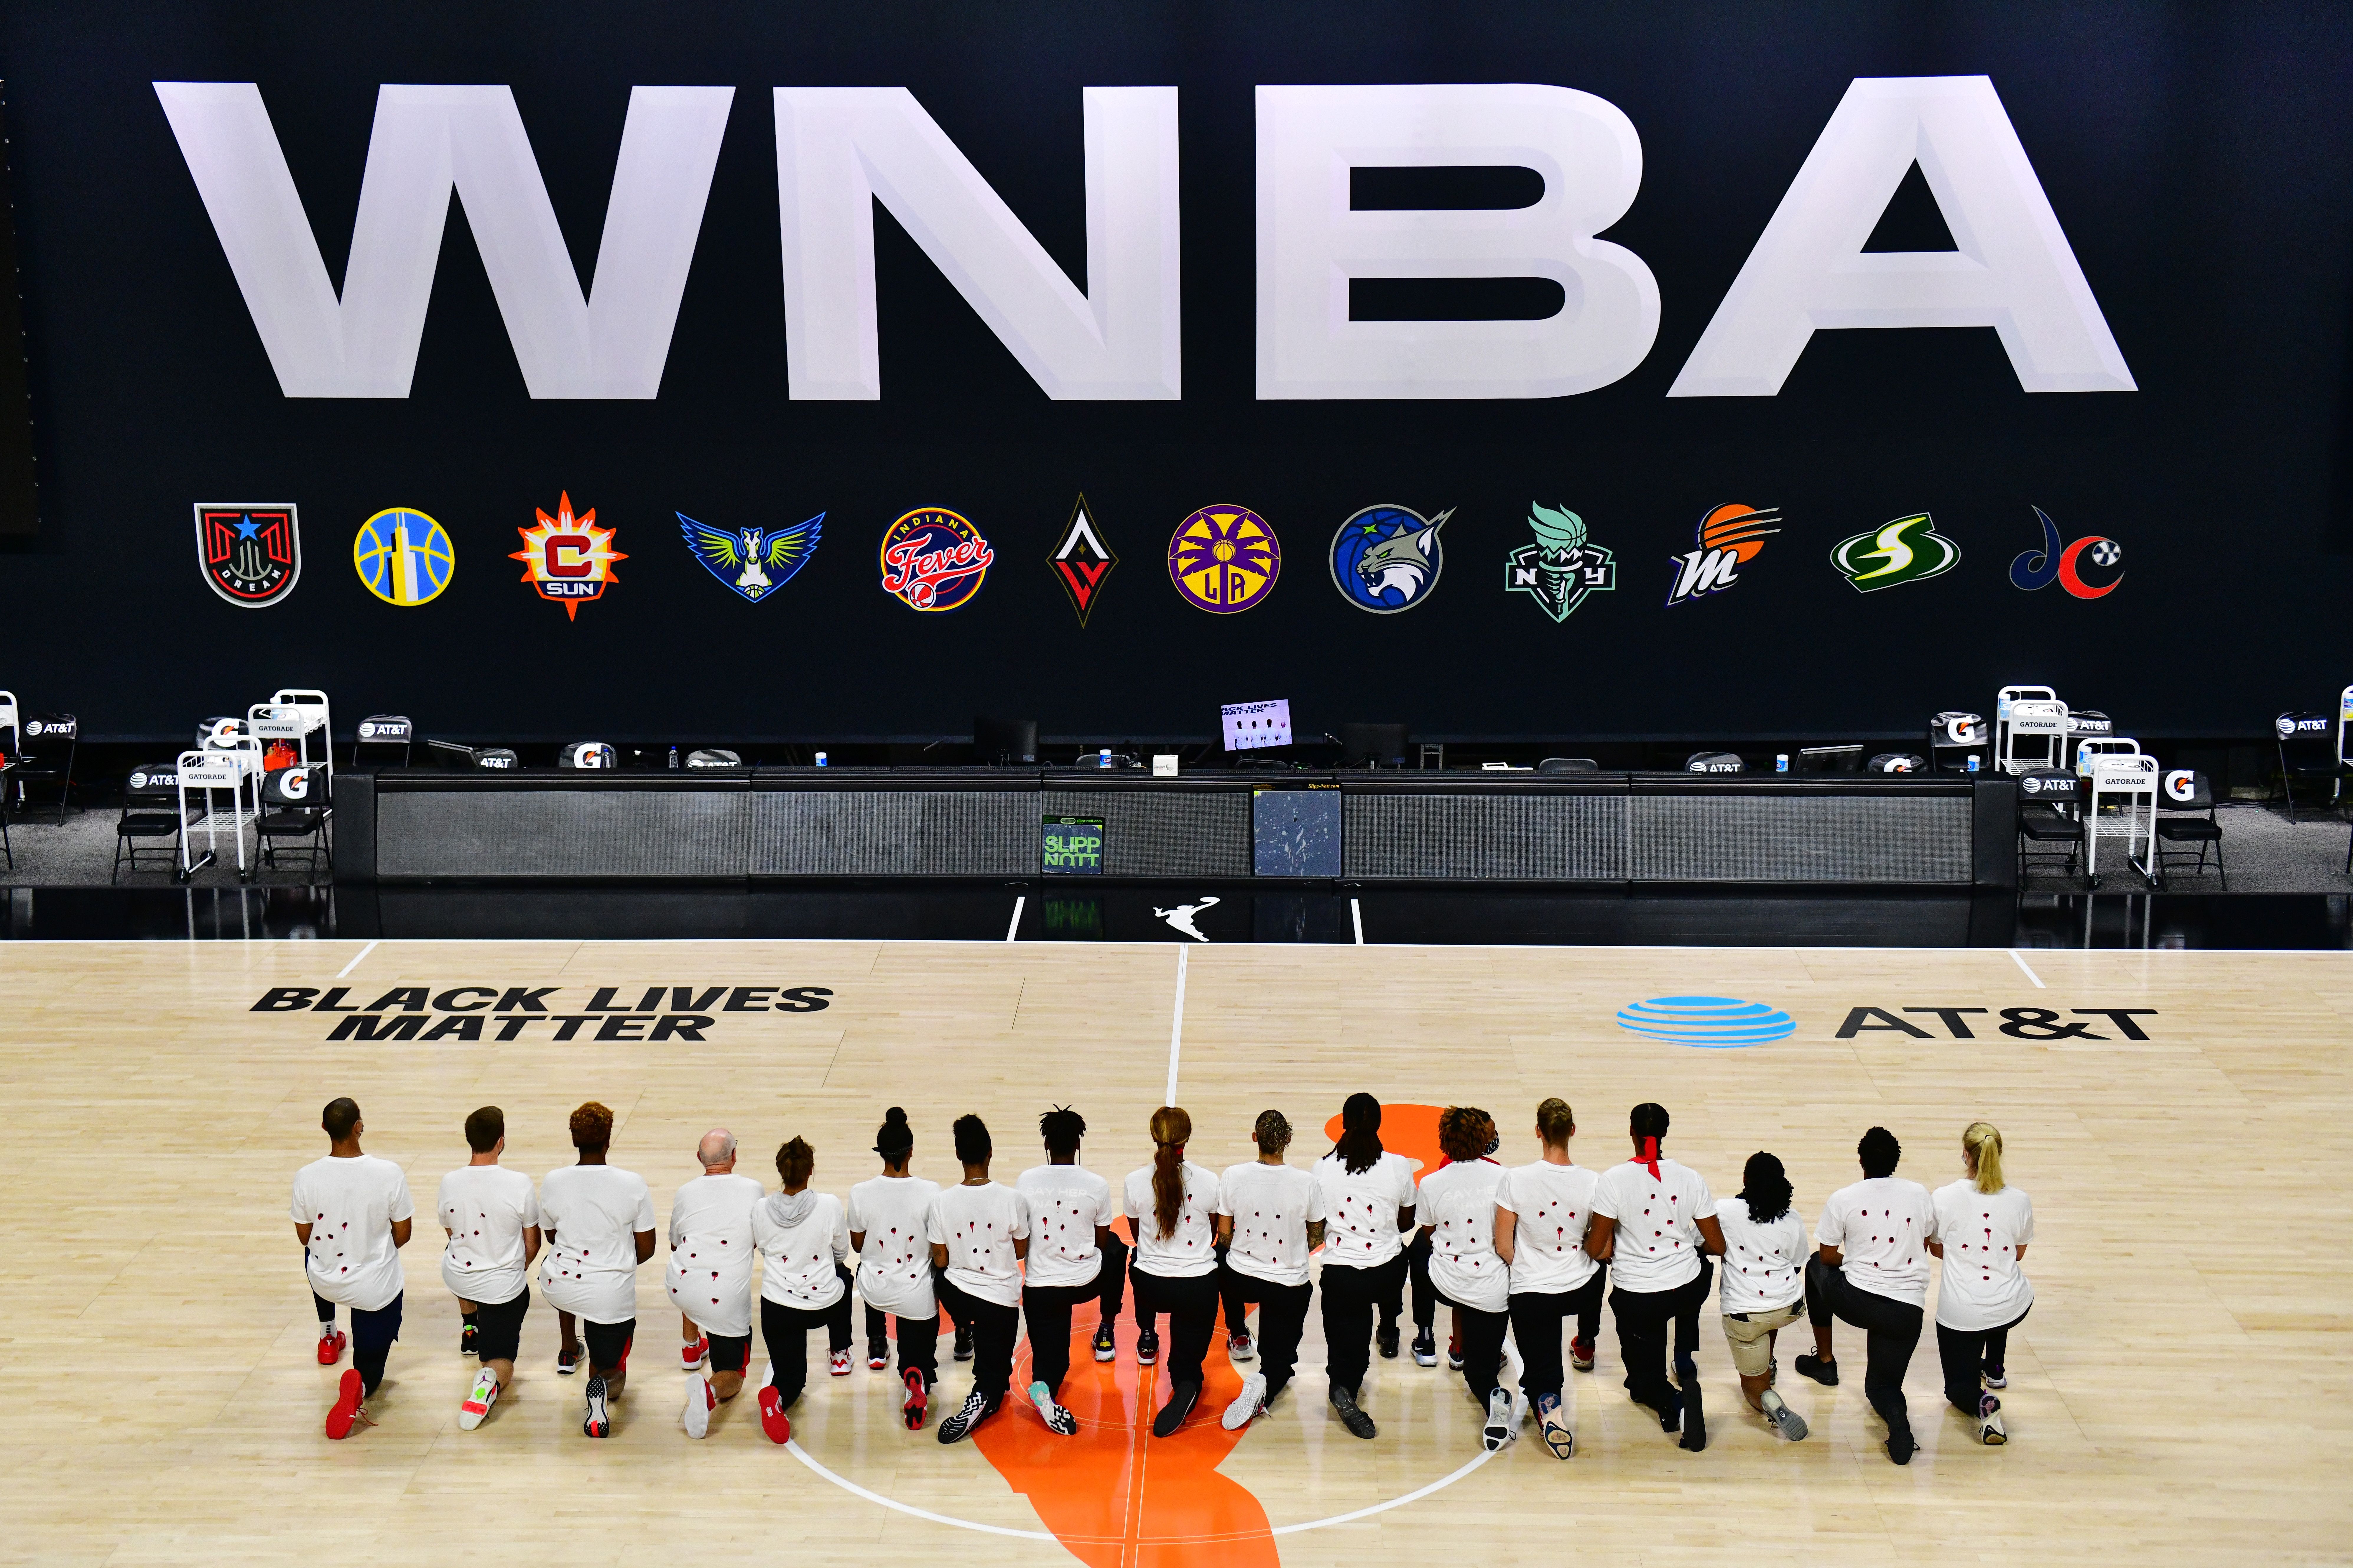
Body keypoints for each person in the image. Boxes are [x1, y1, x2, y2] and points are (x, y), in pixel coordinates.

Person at [1797, 1125, 1937, 1465]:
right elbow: (1923, 1245)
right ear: (1896, 1161)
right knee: (1882, 1388)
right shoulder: (1920, 1194)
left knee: (1814, 1265)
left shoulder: (1844, 1198)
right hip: (1906, 1310)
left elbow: (1828, 1256)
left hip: (1857, 1300)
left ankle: (1825, 1362)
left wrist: (1859, 1261)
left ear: (1861, 1160)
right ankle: (1899, 1422)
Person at [1587, 1102, 1722, 1452]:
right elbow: (1718, 1245)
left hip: (1640, 1296)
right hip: (1688, 1290)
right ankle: (1683, 1355)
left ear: (1632, 1132)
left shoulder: (1613, 1180)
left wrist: (1599, 1242)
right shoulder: (1691, 1178)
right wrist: (1690, 1246)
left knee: (1641, 1381)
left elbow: (1596, 1248)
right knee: (1698, 1267)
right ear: (1664, 1133)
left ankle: (1673, 1400)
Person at [292, 1097, 413, 1439]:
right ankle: (359, 1384)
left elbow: (305, 1237)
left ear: (324, 1128)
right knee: (370, 1367)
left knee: (316, 1251)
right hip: (373, 1289)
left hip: (325, 1280)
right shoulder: (389, 1173)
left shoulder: (306, 1176)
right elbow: (403, 1235)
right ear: (359, 1127)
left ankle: (328, 1335)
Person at [539, 1102, 656, 1439]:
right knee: (613, 1372)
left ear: (575, 1140)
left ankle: (568, 1348)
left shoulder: (553, 1181)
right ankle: (601, 1386)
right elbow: (647, 1249)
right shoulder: (632, 1183)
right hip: (608, 1294)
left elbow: (552, 1237)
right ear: (608, 1140)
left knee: (565, 1263)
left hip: (559, 1284)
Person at [1494, 1096, 1601, 1459]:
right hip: (1581, 1290)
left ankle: (1549, 1404)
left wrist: (1528, 1266)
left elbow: (1503, 1246)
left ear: (1538, 1132)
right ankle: (1586, 1340)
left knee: (1542, 1359)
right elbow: (1602, 1246)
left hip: (1532, 1292)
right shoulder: (1594, 1182)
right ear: (1572, 1131)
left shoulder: (1514, 1179)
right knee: (1597, 1269)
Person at [1311, 1092, 1418, 1439]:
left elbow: (1316, 1225)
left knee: (1349, 1339)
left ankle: (1342, 1386)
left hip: (1341, 1275)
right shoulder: (1399, 1166)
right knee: (1396, 1255)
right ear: (1379, 1125)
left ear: (1343, 1123)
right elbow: (1405, 1224)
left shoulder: (1322, 1168)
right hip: (1386, 1275)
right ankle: (1388, 1329)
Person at [1215, 1109, 1326, 1430]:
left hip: (1242, 1279)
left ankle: (1239, 1333)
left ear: (1255, 1138)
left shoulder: (1233, 1175)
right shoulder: (1307, 1182)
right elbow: (1317, 1236)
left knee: (1220, 1259)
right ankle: (1265, 1381)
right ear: (1288, 1140)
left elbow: (1224, 1235)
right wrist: (1291, 1251)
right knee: (1281, 1362)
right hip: (1287, 1284)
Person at [1414, 1106, 1515, 1450]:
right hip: (1494, 1289)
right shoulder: (1505, 1177)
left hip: (1446, 1283)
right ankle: (1494, 1397)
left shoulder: (1430, 1184)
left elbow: (1428, 1232)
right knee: (1479, 1371)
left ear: (1444, 1141)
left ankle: (1424, 1333)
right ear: (1483, 1140)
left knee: (1416, 1250)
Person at [436, 1105, 540, 1431]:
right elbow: (533, 1243)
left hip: (459, 1277)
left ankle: (471, 1328)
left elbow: (451, 1232)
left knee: (457, 1251)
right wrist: (514, 1270)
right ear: (501, 1142)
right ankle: (487, 1382)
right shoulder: (520, 1183)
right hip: (502, 1289)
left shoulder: (449, 1181)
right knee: (499, 1360)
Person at [1929, 1121, 2033, 1446]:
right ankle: (1995, 1368)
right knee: (1997, 1305)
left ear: (1965, 1154)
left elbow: (1935, 1248)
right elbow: (2017, 1254)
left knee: (1957, 1389)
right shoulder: (2020, 1200)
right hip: (2012, 1304)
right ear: (1997, 1154)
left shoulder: (1943, 1197)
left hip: (1961, 1314)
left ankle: (1983, 1403)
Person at [927, 1114, 1029, 1442]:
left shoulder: (941, 1201)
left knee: (939, 1275)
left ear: (958, 1155)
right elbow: (1020, 1251)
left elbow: (940, 1259)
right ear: (990, 1152)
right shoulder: (1013, 1199)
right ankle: (981, 1396)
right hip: (999, 1302)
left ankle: (964, 1329)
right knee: (993, 1383)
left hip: (957, 1296)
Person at [1016, 1106, 1117, 1436]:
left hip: (1040, 1288)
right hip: (1085, 1282)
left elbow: (1022, 1237)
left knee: (1053, 1361)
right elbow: (1102, 1242)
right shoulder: (1097, 1184)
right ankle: (1106, 1329)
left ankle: (1043, 1385)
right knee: (1117, 1249)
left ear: (1047, 1146)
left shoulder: (1026, 1181)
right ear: (1078, 1146)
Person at [1122, 1106, 1222, 1437]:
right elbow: (1213, 1234)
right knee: (1187, 1362)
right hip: (1197, 1288)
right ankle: (1187, 1383)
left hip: (1151, 1287)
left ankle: (1148, 1335)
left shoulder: (1134, 1181)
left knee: (1137, 1258)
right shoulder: (1209, 1181)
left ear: (1154, 1137)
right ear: (1186, 1139)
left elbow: (1137, 1237)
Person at [750, 1136, 854, 1444]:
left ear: (781, 1171)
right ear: (811, 1170)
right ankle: (840, 1352)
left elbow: (764, 1249)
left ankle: (776, 1395)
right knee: (844, 1276)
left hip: (777, 1308)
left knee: (792, 1379)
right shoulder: (829, 1204)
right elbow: (842, 1252)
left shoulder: (760, 1209)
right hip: (823, 1306)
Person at [667, 1129, 766, 1439]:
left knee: (692, 1264)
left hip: (679, 1286)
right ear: (734, 1156)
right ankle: (709, 1393)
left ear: (699, 1158)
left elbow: (676, 1243)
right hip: (725, 1298)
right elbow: (758, 1240)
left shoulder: (685, 1192)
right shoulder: (753, 1189)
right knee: (733, 1374)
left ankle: (691, 1348)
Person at [848, 1107, 941, 1431]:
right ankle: (916, 1373)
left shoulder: (860, 1192)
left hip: (875, 1290)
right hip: (916, 1294)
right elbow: (939, 1246)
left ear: (881, 1153)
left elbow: (857, 1245)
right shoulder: (932, 1192)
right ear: (911, 1151)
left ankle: (877, 1343)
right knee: (927, 1287)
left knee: (870, 1265)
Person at [1712, 1152, 1810, 1442]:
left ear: (1745, 1179)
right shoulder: (1792, 1218)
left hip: (1744, 1314)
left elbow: (1701, 1243)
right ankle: (1767, 1363)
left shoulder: (1724, 1210)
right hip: (1788, 1307)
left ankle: (1767, 1399)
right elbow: (1796, 1264)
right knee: (1768, 1317)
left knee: (1752, 1389)